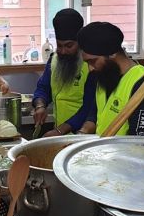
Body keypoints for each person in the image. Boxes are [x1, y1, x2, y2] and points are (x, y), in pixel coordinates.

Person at [77, 22, 144, 136]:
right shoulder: (106, 75)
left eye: (93, 61)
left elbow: (138, 137)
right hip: (104, 146)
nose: (90, 69)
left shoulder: (142, 82)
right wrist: (82, 133)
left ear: (112, 54)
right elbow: (94, 115)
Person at [32, 9, 96, 137]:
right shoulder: (54, 60)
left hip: (83, 135)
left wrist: (60, 130)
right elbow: (43, 88)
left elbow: (89, 108)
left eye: (69, 46)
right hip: (60, 134)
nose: (63, 51)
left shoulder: (91, 65)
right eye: (59, 45)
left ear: (80, 42)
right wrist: (40, 106)